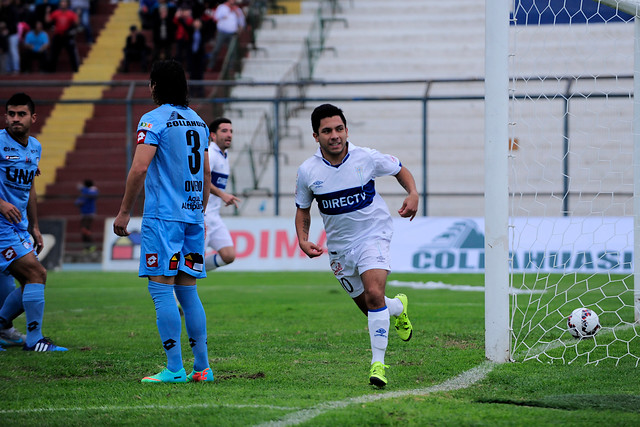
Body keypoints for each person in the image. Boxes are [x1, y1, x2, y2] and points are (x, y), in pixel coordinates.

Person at [294, 104, 419, 387]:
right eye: (327, 131)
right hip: (339, 249)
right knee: (371, 307)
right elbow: (303, 210)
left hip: (373, 235)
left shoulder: (367, 157)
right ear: (316, 136)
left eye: (339, 129)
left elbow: (400, 170)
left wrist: (412, 193)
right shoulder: (308, 171)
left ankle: (378, 365)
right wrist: (303, 239)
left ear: (347, 130)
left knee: (374, 294)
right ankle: (398, 308)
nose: (335, 135)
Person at [113, 60, 213, 383]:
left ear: (156, 86)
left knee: (160, 290)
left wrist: (125, 211)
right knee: (188, 291)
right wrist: (200, 211)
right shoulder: (198, 122)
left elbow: (140, 168)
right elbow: (207, 174)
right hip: (192, 216)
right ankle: (203, 368)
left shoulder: (153, 120)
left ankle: (174, 369)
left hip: (164, 218)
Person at [0, 92, 67, 352]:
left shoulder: (35, 147)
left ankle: (5, 326)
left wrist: (35, 226)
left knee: (32, 280)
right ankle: (34, 339)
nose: (15, 119)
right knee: (36, 274)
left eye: (21, 114)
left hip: (18, 226)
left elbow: (29, 188)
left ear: (33, 118)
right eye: (11, 114)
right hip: (2, 225)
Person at [204, 117, 240, 271]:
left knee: (228, 255)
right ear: (213, 135)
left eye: (231, 131)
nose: (229, 134)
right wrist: (223, 195)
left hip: (214, 216)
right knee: (194, 257)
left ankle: (191, 271)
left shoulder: (223, 156)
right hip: (202, 216)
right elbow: (201, 179)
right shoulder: (210, 154)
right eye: (224, 131)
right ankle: (176, 287)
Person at [206, 0, 245, 71]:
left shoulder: (238, 9)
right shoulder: (222, 7)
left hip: (232, 33)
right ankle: (210, 66)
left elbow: (242, 23)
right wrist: (226, 14)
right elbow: (215, 17)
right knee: (216, 49)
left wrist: (237, 14)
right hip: (222, 33)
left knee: (232, 51)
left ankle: (231, 68)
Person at [45, 0, 79, 72]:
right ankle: (51, 71)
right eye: (62, 2)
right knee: (53, 54)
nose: (63, 4)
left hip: (67, 36)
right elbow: (48, 21)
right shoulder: (56, 13)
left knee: (72, 54)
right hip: (58, 36)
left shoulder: (71, 13)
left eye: (65, 2)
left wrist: (78, 15)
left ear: (67, 4)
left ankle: (75, 70)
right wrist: (47, 12)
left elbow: (76, 23)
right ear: (60, 4)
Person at [74, 178, 98, 251]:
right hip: (84, 214)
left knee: (85, 229)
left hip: (89, 214)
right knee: (83, 231)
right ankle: (87, 247)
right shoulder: (84, 194)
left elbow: (93, 194)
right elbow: (77, 202)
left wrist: (83, 189)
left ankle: (92, 245)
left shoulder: (91, 191)